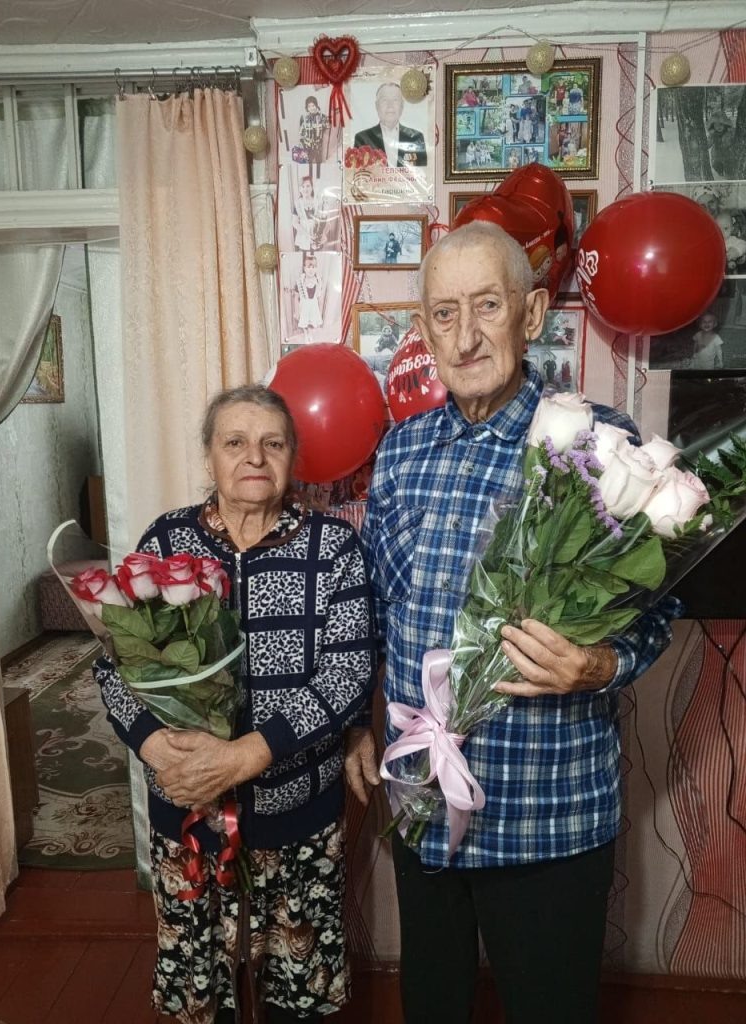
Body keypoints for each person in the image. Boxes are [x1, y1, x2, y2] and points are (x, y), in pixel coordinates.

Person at [345, 221, 678, 1024]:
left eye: (487, 306)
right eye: (445, 313)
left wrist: (599, 666)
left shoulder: (600, 446)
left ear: (531, 315)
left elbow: (658, 611)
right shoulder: (401, 451)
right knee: (432, 1003)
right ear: (424, 330)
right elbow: (380, 608)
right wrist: (359, 721)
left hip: (546, 814)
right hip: (424, 804)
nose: (465, 336)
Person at [95, 385, 377, 1024]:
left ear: (292, 458)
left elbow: (347, 675)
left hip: (296, 814)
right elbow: (113, 666)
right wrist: (153, 745)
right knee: (204, 994)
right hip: (190, 814)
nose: (255, 457)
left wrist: (250, 754)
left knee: (296, 998)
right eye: (235, 442)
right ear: (209, 456)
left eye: (273, 443)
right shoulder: (167, 541)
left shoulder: (332, 547)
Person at [353, 82, 427, 168]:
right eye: (384, 100)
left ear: (402, 106)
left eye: (395, 100)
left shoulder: (416, 138)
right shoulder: (362, 139)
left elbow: (423, 172)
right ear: (377, 106)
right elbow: (358, 173)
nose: (390, 106)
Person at [298, 95, 329, 179]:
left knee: (319, 163)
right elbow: (301, 132)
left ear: (316, 105)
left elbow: (327, 128)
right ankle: (310, 179)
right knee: (309, 164)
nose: (311, 108)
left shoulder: (323, 117)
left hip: (318, 146)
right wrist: (302, 143)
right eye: (309, 106)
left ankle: (319, 178)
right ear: (307, 108)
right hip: (307, 146)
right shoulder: (304, 118)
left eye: (313, 105)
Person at [294, 253, 323, 340]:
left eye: (313, 267)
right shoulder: (300, 282)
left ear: (316, 268)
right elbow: (296, 298)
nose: (311, 270)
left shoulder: (318, 281)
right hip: (304, 307)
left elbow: (319, 298)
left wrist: (320, 312)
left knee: (312, 323)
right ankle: (306, 333)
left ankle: (310, 334)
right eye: (308, 267)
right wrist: (297, 311)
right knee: (304, 322)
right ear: (304, 268)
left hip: (314, 307)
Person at [291, 176, 319, 252]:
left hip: (316, 237)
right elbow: (294, 223)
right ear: (300, 189)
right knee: (304, 255)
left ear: (312, 187)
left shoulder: (317, 202)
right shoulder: (298, 203)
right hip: (303, 237)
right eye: (303, 186)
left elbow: (323, 221)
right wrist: (307, 235)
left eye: (308, 186)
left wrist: (318, 234)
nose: (305, 189)